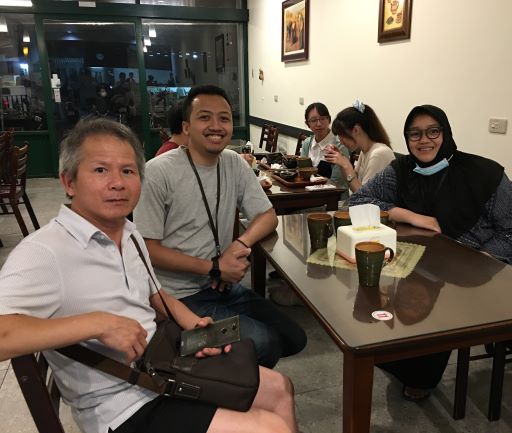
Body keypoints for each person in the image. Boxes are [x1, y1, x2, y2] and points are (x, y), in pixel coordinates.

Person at [0, 117, 298, 433]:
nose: (118, 182)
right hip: (119, 406)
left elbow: (157, 294)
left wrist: (198, 329)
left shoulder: (128, 233)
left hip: (163, 366)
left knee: (280, 388)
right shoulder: (45, 251)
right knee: (270, 428)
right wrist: (97, 323)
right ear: (69, 182)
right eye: (100, 170)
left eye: (128, 171)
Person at [349, 104, 512, 402]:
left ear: (446, 134)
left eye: (433, 132)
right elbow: (358, 201)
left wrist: (480, 260)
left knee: (438, 304)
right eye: (415, 134)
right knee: (388, 302)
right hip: (439, 265)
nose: (424, 140)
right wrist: (409, 215)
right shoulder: (403, 170)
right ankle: (402, 361)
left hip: (500, 270)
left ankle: (420, 373)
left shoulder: (482, 172)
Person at [133, 85, 307, 369]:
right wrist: (213, 267)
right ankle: (211, 373)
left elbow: (267, 216)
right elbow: (147, 250)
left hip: (222, 287)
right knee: (265, 343)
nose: (216, 126)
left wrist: (238, 245)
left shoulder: (234, 163)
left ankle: (235, 373)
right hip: (178, 297)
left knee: (294, 337)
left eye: (224, 118)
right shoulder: (157, 172)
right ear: (186, 127)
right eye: (205, 117)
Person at [325, 100, 395, 193]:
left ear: (356, 130)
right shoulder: (365, 151)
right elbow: (353, 185)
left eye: (342, 136)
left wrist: (346, 165)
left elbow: (364, 196)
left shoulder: (379, 153)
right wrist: (341, 163)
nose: (341, 142)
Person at [299, 102, 349, 190]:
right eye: (313, 120)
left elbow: (337, 183)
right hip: (308, 192)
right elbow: (302, 173)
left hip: (333, 195)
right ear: (307, 124)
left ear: (329, 120)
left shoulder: (339, 146)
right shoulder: (307, 143)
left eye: (322, 118)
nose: (319, 124)